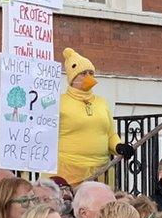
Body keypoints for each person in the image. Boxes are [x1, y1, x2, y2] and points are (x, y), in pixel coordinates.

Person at [53, 47, 133, 185]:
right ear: (72, 77)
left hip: (101, 172)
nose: (88, 77)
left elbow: (110, 134)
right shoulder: (59, 102)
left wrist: (119, 146)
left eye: (91, 73)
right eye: (83, 73)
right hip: (68, 173)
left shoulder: (102, 103)